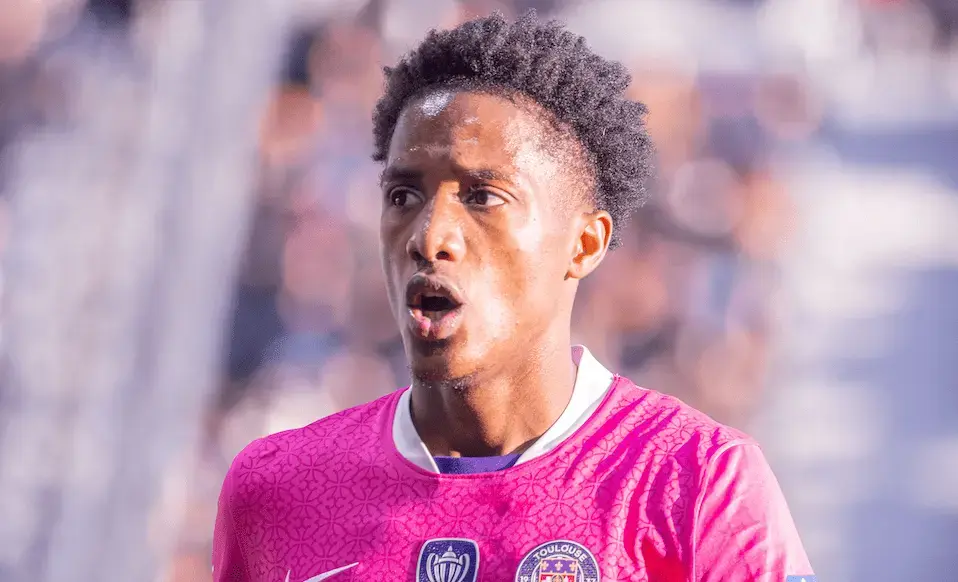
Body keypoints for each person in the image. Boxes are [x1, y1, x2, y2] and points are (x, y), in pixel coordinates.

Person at [213, 11, 815, 582]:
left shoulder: (696, 481)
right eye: (403, 196)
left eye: (482, 197)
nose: (430, 236)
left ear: (584, 244)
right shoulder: (277, 487)